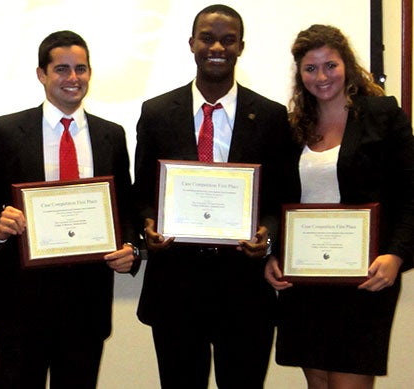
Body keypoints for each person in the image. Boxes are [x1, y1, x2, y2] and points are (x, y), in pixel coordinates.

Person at [132, 4, 292, 388]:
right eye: (207, 37)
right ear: (191, 44)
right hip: (175, 287)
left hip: (245, 288)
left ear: (241, 47)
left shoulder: (271, 116)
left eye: (227, 39)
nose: (216, 46)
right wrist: (147, 226)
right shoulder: (156, 112)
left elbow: (283, 195)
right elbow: (141, 193)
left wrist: (267, 234)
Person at [0, 30, 139, 388]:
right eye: (61, 69)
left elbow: (124, 206)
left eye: (81, 68)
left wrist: (131, 248)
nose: (73, 78)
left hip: (85, 303)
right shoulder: (7, 130)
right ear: (41, 74)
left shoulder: (111, 134)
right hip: (20, 301)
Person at [264, 24, 414, 388]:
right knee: (317, 382)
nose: (322, 76)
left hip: (364, 278)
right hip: (306, 280)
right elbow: (279, 199)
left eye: (330, 65)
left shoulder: (382, 115)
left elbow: (411, 194)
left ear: (346, 64)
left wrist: (395, 256)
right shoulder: (294, 126)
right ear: (299, 75)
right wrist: (273, 254)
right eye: (310, 68)